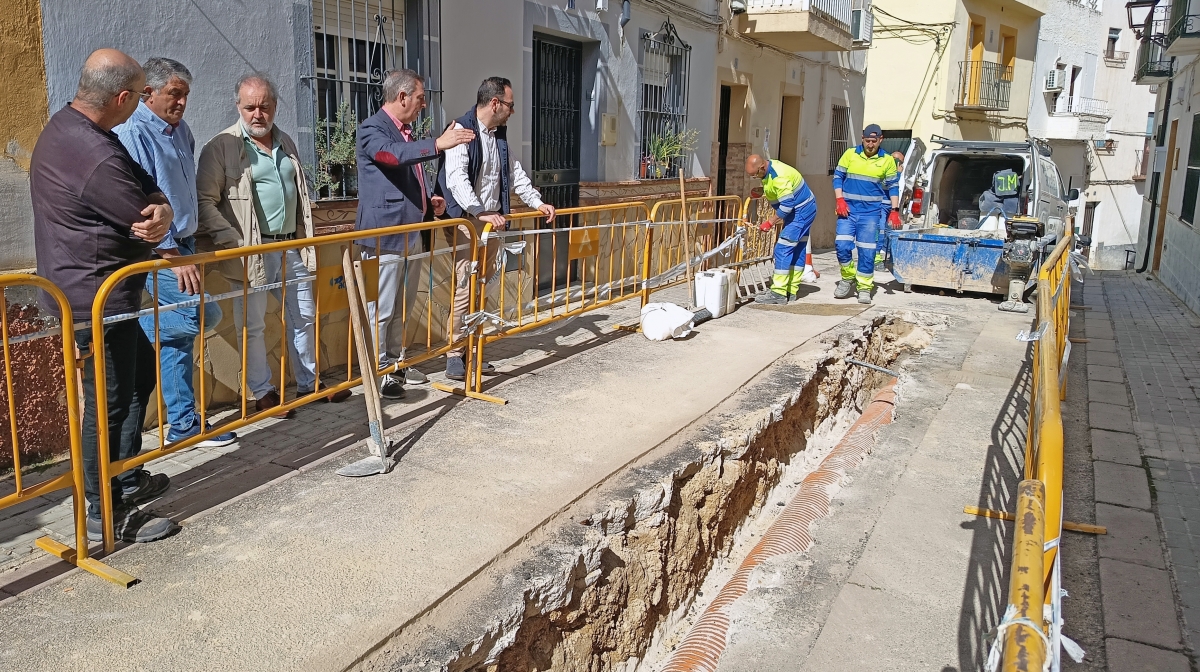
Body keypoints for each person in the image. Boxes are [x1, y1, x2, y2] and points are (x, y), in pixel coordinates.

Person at [31, 49, 179, 543]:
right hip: (93, 299)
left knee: (140, 376)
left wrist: (161, 205)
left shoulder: (81, 132)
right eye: (139, 96)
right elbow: (142, 216)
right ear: (121, 97)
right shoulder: (91, 152)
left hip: (104, 296)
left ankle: (126, 475)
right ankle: (104, 511)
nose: (140, 104)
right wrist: (160, 215)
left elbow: (148, 189)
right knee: (107, 403)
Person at [196, 73, 351, 419]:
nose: (257, 114)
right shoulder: (220, 146)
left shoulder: (286, 144)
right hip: (250, 251)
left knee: (305, 316)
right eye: (249, 106)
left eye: (264, 106)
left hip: (290, 247)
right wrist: (233, 241)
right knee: (252, 324)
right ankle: (262, 393)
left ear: (275, 106)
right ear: (238, 106)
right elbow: (205, 202)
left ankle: (310, 385)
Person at [115, 57, 235, 447]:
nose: (182, 102)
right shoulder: (135, 132)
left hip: (183, 242)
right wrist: (169, 252)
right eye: (174, 94)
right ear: (147, 93)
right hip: (159, 249)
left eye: (185, 95)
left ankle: (184, 423)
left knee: (179, 338)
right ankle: (145, 327)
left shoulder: (181, 132)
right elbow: (139, 200)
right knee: (201, 314)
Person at [355, 69, 474, 398]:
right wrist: (438, 143)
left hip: (413, 232)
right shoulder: (371, 129)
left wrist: (427, 200)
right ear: (402, 97)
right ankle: (379, 370)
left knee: (402, 308)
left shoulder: (406, 132)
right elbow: (390, 157)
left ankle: (395, 364)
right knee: (382, 309)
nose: (424, 104)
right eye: (421, 98)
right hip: (385, 235)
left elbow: (404, 175)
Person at [437, 76, 555, 382]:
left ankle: (473, 349)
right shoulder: (460, 130)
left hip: (491, 222)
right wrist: (480, 212)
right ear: (495, 103)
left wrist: (537, 203)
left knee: (481, 286)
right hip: (468, 220)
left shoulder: (498, 135)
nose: (513, 111)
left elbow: (514, 172)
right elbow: (456, 179)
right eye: (511, 105)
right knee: (465, 286)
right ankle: (453, 353)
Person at [832, 124, 901, 304]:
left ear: (880, 140)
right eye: (867, 140)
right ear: (862, 138)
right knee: (842, 246)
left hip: (870, 214)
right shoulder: (850, 154)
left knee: (867, 252)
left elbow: (893, 187)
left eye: (874, 141)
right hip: (848, 211)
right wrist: (839, 199)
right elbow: (838, 177)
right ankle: (847, 278)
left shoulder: (887, 161)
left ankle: (864, 287)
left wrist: (895, 211)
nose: (870, 145)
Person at [744, 154, 818, 305]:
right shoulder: (770, 168)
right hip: (805, 209)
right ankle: (790, 289)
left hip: (799, 213)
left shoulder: (779, 177)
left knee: (783, 249)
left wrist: (769, 223)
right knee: (797, 248)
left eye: (754, 175)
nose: (754, 178)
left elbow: (787, 206)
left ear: (762, 167)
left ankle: (778, 292)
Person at [875, 150, 907, 266]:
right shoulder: (886, 170)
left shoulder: (902, 173)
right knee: (881, 230)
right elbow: (889, 184)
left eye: (900, 161)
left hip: (892, 207)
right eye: (895, 160)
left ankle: (889, 255)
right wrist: (897, 174)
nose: (897, 163)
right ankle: (876, 258)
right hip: (882, 206)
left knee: (891, 231)